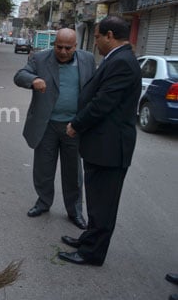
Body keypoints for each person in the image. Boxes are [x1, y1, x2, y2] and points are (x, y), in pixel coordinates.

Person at [59, 15, 141, 266]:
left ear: (109, 36)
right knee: (96, 199)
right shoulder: (116, 59)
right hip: (101, 146)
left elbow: (103, 103)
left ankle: (92, 253)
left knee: (104, 204)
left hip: (110, 148)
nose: (94, 42)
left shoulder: (123, 62)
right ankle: (88, 239)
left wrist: (77, 124)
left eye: (96, 36)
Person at [14, 28, 95, 229]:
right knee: (43, 168)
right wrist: (33, 80)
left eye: (68, 48)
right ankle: (43, 202)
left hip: (74, 126)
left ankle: (74, 210)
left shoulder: (87, 60)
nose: (63, 51)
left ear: (76, 46)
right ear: (54, 44)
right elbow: (20, 75)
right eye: (59, 47)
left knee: (73, 172)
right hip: (47, 124)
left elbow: (94, 87)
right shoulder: (40, 59)